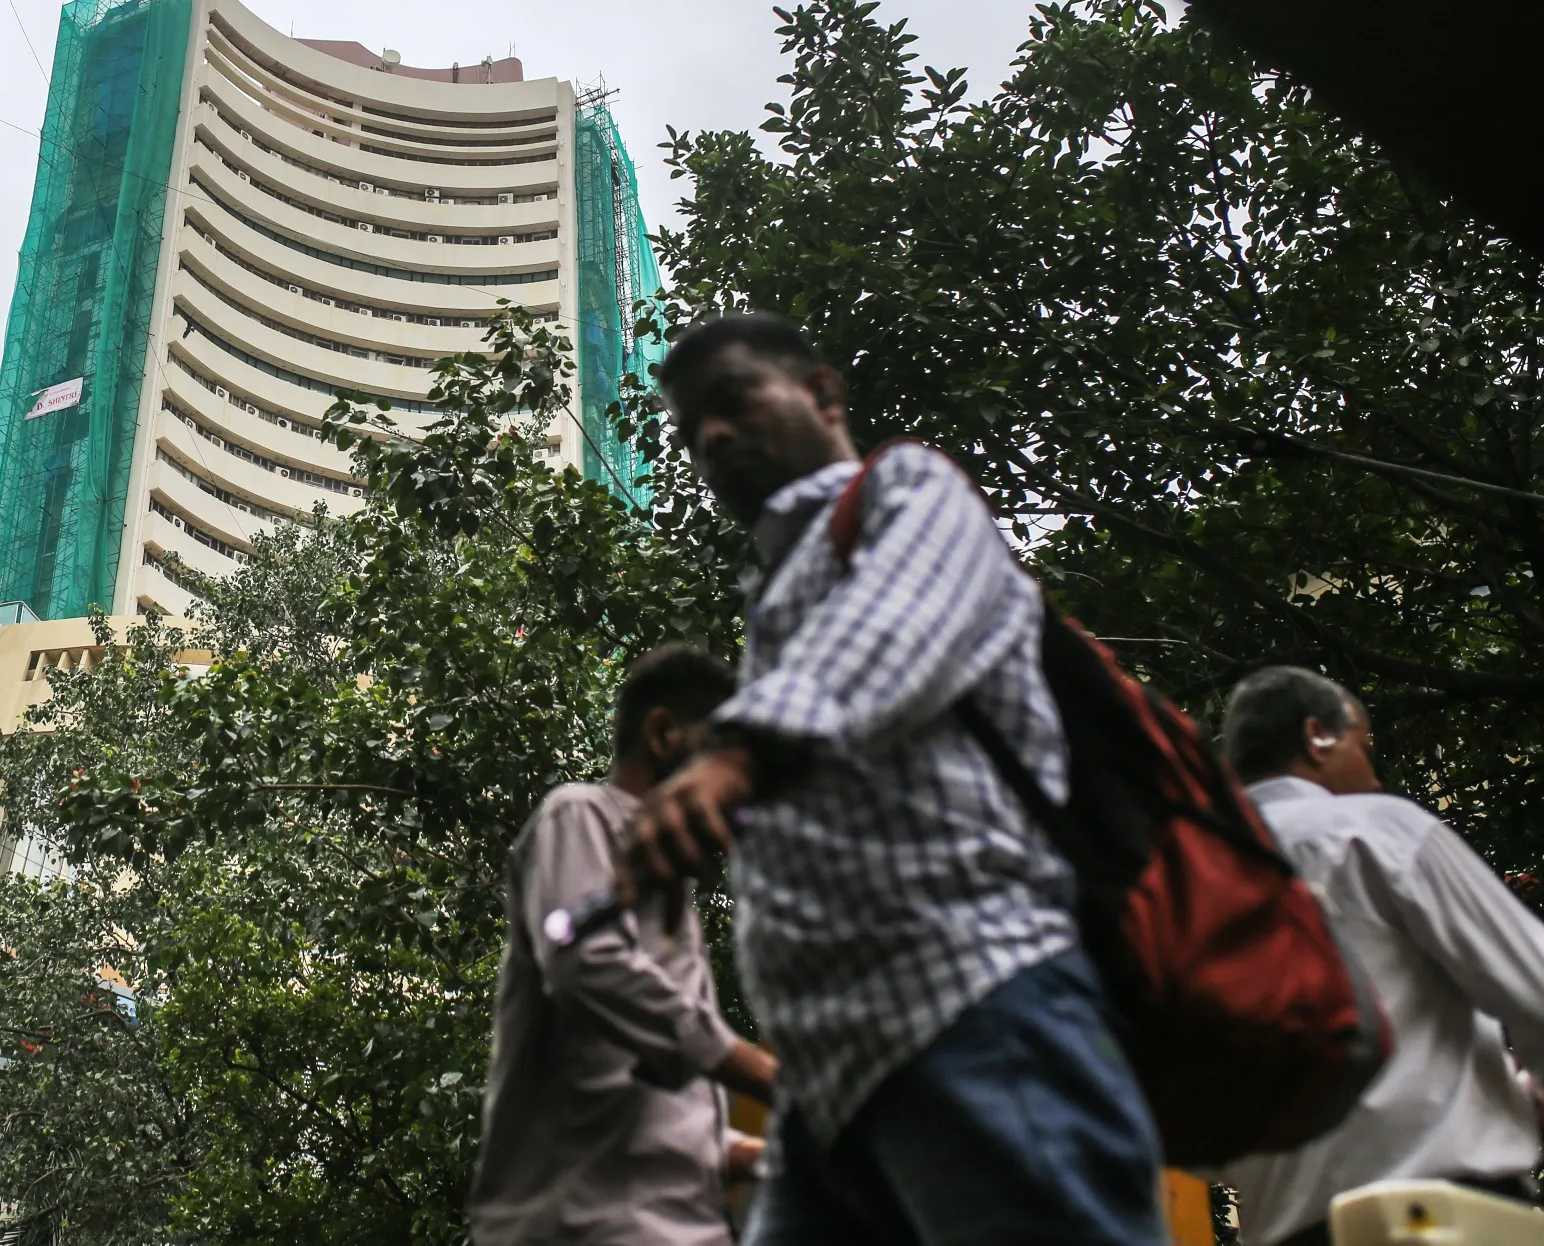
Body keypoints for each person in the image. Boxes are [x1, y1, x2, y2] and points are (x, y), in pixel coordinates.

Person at [620, 313, 1165, 1245]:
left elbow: (892, 631)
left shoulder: (909, 490)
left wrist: (735, 755)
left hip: (973, 1005)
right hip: (832, 1079)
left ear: (826, 395)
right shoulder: (781, 592)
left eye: (732, 402)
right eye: (688, 432)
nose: (710, 440)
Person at [1210, 666, 1544, 1246]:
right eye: (1365, 746)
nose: (1371, 774)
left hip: (1283, 1228)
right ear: (1317, 735)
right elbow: (1535, 983)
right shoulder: (1373, 828)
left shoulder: (1181, 885)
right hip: (1437, 1214)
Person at [471, 643, 779, 1246]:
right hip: (586, 1223)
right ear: (663, 734)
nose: (735, 802)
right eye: (723, 769)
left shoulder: (678, 904)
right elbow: (588, 965)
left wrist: (762, 1154)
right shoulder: (581, 816)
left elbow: (653, 1111)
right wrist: (770, 1078)